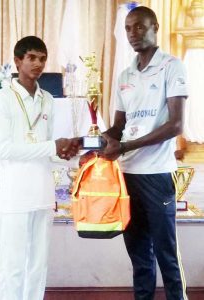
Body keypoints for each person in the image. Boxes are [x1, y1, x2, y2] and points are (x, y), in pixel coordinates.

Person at [100, 6, 188, 300]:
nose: (132, 34)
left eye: (139, 27)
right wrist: (96, 142)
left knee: (167, 256)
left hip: (158, 175)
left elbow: (175, 125)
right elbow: (119, 126)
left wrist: (123, 146)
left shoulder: (171, 66)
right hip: (127, 176)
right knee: (139, 257)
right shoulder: (125, 74)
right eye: (127, 28)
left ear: (155, 27)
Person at [0, 36, 80, 300]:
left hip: (42, 195)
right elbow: (5, 150)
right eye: (31, 58)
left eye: (42, 58)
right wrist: (54, 146)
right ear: (18, 61)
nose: (38, 63)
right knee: (13, 267)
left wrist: (72, 157)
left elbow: (47, 151)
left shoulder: (48, 99)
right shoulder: (2, 99)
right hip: (15, 197)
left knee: (37, 267)